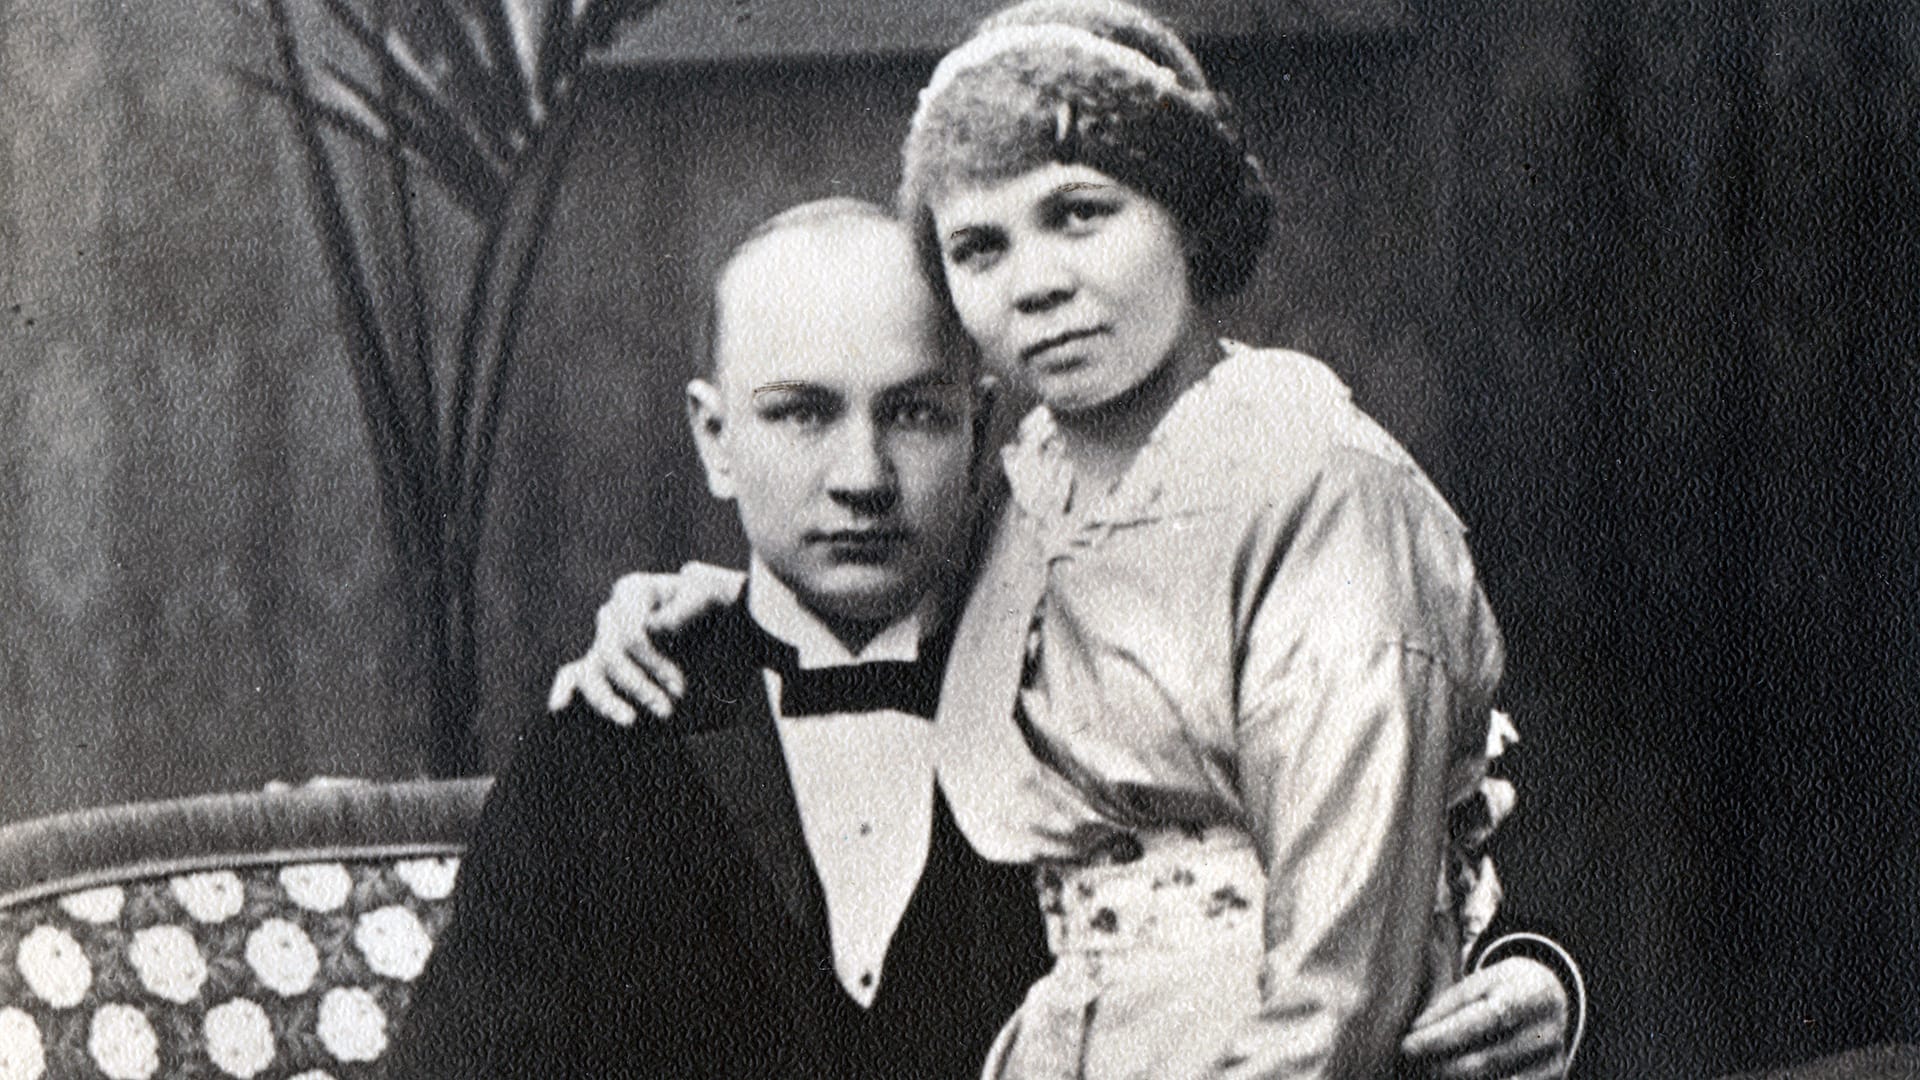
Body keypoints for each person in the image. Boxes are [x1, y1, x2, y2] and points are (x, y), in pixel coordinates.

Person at [548, 2, 1583, 1079]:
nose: (1036, 282)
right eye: (979, 246)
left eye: (1079, 213)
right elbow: (883, 604)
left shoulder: (1320, 485)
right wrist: (708, 604)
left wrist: (1536, 967)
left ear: (1187, 217)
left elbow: (1343, 983)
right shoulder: (1023, 503)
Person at [390, 201, 1048, 1079]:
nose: (862, 477)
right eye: (801, 414)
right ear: (715, 439)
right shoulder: (599, 749)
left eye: (915, 414)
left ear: (980, 429)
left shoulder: (1077, 725)